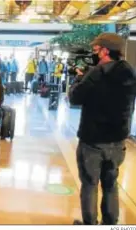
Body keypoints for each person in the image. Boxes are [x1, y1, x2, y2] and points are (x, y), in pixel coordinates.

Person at [69, 33, 136, 225]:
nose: (95, 53)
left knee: (90, 185)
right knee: (111, 184)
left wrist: (79, 80)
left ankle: (90, 224)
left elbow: (75, 98)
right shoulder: (129, 71)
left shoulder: (96, 73)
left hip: (93, 141)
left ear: (106, 50)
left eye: (97, 49)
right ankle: (110, 223)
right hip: (118, 141)